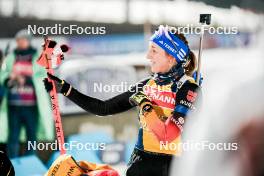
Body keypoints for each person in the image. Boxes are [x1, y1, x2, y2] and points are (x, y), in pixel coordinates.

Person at [44, 25, 202, 176]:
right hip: (140, 165)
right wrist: (65, 89)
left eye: (154, 51)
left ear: (171, 57)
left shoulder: (188, 89)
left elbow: (167, 135)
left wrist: (145, 105)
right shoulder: (147, 85)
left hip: (172, 167)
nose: (148, 56)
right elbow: (104, 108)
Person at [0, 29, 54, 158]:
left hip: (31, 105)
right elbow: (3, 76)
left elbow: (44, 77)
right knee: (12, 136)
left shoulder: (37, 57)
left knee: (31, 136)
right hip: (13, 105)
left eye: (22, 40)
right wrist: (11, 78)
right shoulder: (12, 57)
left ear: (28, 41)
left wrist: (27, 79)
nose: (19, 42)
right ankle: (12, 164)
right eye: (17, 40)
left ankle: (31, 162)